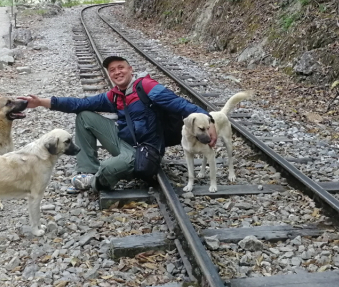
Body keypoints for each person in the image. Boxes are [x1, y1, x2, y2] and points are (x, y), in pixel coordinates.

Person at [19, 56, 217, 194]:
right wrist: (41, 102)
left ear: (130, 69)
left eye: (121, 67)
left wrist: (210, 121)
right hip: (122, 141)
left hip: (144, 150)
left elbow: (181, 104)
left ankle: (94, 181)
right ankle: (86, 172)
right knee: (85, 115)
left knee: (107, 168)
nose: (117, 72)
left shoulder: (147, 87)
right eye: (112, 70)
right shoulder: (115, 95)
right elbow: (80, 104)